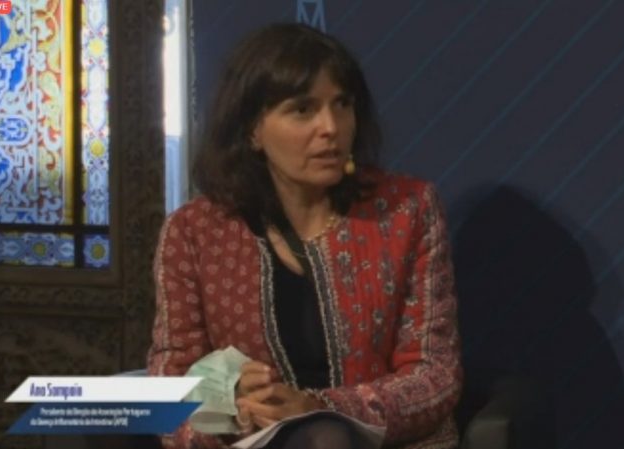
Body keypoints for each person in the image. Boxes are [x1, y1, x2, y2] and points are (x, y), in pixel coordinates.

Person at [147, 23, 462, 449]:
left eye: (342, 104)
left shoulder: (408, 210)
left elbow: (434, 375)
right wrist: (230, 406)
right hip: (250, 441)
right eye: (303, 110)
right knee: (79, 410)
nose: (331, 127)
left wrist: (318, 406)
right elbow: (169, 382)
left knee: (326, 439)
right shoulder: (194, 232)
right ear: (253, 129)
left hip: (377, 443)